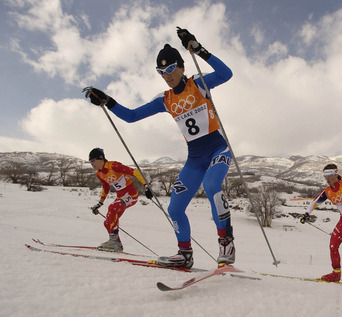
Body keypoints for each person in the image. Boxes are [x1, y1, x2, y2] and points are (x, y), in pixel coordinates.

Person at [83, 27, 235, 268]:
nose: (167, 75)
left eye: (171, 69)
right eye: (161, 72)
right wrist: (107, 101)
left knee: (212, 185)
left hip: (217, 150)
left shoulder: (199, 84)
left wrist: (200, 50)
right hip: (195, 159)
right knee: (174, 208)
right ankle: (184, 255)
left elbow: (226, 74)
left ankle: (225, 242)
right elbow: (132, 116)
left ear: (182, 67)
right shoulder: (165, 99)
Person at [88, 148, 153, 251]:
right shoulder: (99, 173)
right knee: (107, 222)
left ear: (100, 159)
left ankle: (113, 241)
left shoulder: (113, 166)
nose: (91, 163)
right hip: (121, 197)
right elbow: (106, 188)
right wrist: (100, 203)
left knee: (112, 208)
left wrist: (146, 185)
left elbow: (134, 172)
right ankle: (117, 244)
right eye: (89, 161)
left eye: (92, 160)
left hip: (131, 195)